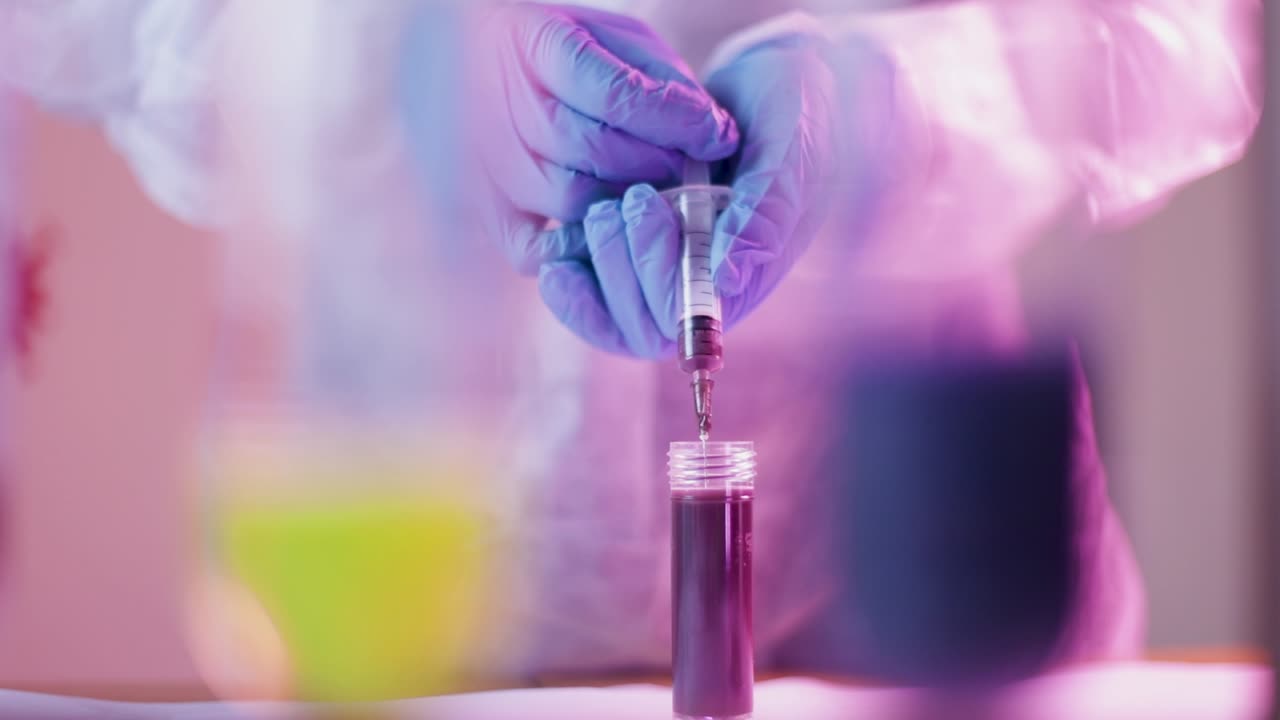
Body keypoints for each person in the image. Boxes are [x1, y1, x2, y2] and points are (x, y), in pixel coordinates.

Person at [0, 0, 1261, 679]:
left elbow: (1191, 36)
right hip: (400, 583)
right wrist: (395, 66)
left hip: (922, 577)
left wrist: (905, 107)